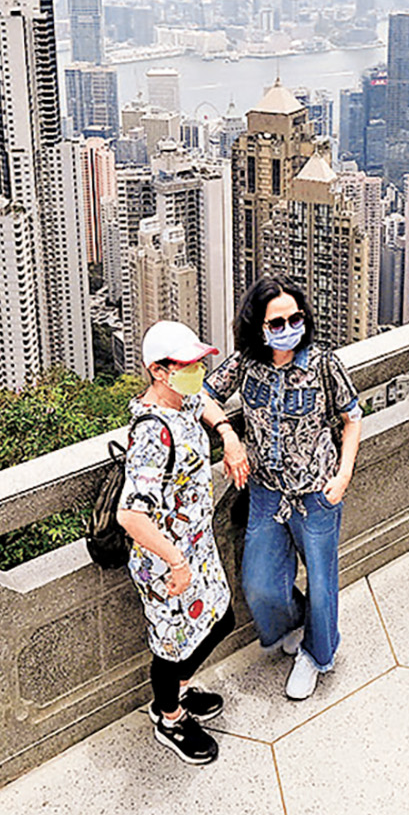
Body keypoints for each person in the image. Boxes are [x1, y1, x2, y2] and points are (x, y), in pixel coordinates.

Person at [203, 276, 362, 701]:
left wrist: (342, 476)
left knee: (323, 581)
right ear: (258, 327)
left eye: (296, 318)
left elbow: (352, 417)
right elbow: (202, 395)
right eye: (277, 322)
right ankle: (293, 624)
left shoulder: (323, 363)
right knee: (259, 584)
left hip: (316, 492)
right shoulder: (247, 363)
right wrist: (229, 436)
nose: (289, 327)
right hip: (266, 491)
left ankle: (316, 654)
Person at [118, 321, 236, 766]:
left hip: (196, 545)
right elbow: (130, 514)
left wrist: (227, 433)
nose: (197, 371)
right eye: (186, 365)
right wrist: (177, 563)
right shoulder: (153, 432)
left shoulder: (182, 400)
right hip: (167, 561)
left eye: (198, 362)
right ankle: (168, 716)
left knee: (220, 619)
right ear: (158, 371)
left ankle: (182, 689)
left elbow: (202, 400)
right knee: (172, 647)